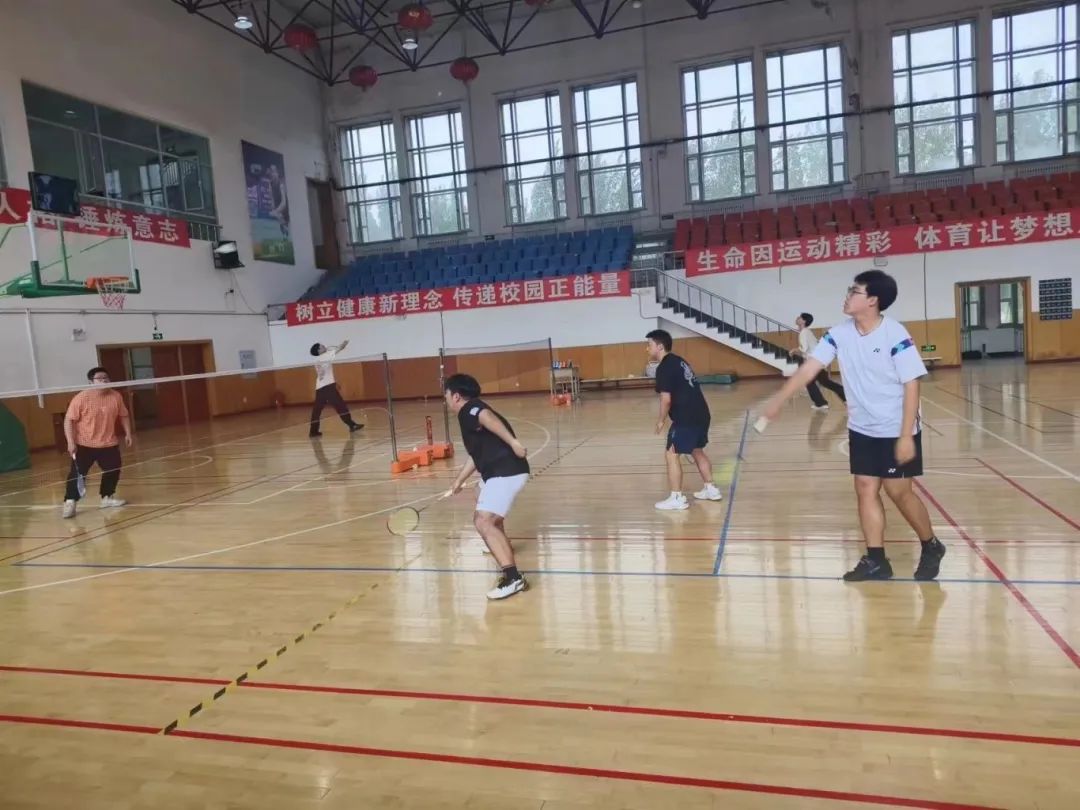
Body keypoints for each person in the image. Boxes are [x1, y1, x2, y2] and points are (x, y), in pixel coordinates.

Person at [762, 270, 946, 582]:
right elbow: (810, 368)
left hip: (895, 426)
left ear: (872, 300)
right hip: (862, 425)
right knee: (865, 487)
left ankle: (931, 545)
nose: (847, 296)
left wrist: (905, 436)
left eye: (854, 291)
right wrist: (780, 398)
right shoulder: (839, 333)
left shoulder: (895, 334)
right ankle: (876, 560)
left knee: (898, 491)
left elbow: (912, 384)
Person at [444, 373, 530, 600]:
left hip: (506, 471)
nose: (446, 399)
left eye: (446, 395)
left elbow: (486, 416)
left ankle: (513, 578)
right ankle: (500, 542)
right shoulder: (470, 413)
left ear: (456, 396)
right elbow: (476, 455)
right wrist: (458, 481)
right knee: (479, 492)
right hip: (500, 471)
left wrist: (514, 442)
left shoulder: (470, 409)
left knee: (483, 521)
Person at [646, 329, 723, 511]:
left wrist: (661, 420)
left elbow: (666, 399)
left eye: (649, 345)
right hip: (702, 413)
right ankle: (711, 489)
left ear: (660, 346)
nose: (647, 348)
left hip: (686, 417)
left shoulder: (664, 367)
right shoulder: (679, 361)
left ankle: (676, 498)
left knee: (671, 454)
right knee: (697, 450)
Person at [61, 367, 133, 519]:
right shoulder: (81, 398)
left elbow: (124, 415)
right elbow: (69, 420)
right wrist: (70, 442)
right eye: (100, 378)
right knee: (77, 474)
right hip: (84, 443)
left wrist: (128, 433)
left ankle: (107, 497)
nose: (104, 381)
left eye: (106, 378)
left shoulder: (116, 396)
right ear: (91, 382)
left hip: (108, 443)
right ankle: (70, 501)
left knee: (113, 469)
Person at [309, 340, 363, 437]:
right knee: (340, 406)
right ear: (319, 351)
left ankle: (313, 431)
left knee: (317, 410)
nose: (324, 346)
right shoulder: (325, 356)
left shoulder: (317, 360)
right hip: (328, 387)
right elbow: (339, 348)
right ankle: (352, 425)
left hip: (320, 388)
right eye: (322, 346)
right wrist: (345, 342)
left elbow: (322, 374)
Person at [793, 312, 846, 410]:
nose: (797, 318)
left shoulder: (804, 332)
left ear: (803, 321)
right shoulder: (807, 332)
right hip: (818, 361)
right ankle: (845, 397)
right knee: (825, 382)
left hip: (813, 362)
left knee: (810, 382)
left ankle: (820, 403)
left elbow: (804, 348)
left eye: (799, 317)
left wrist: (793, 350)